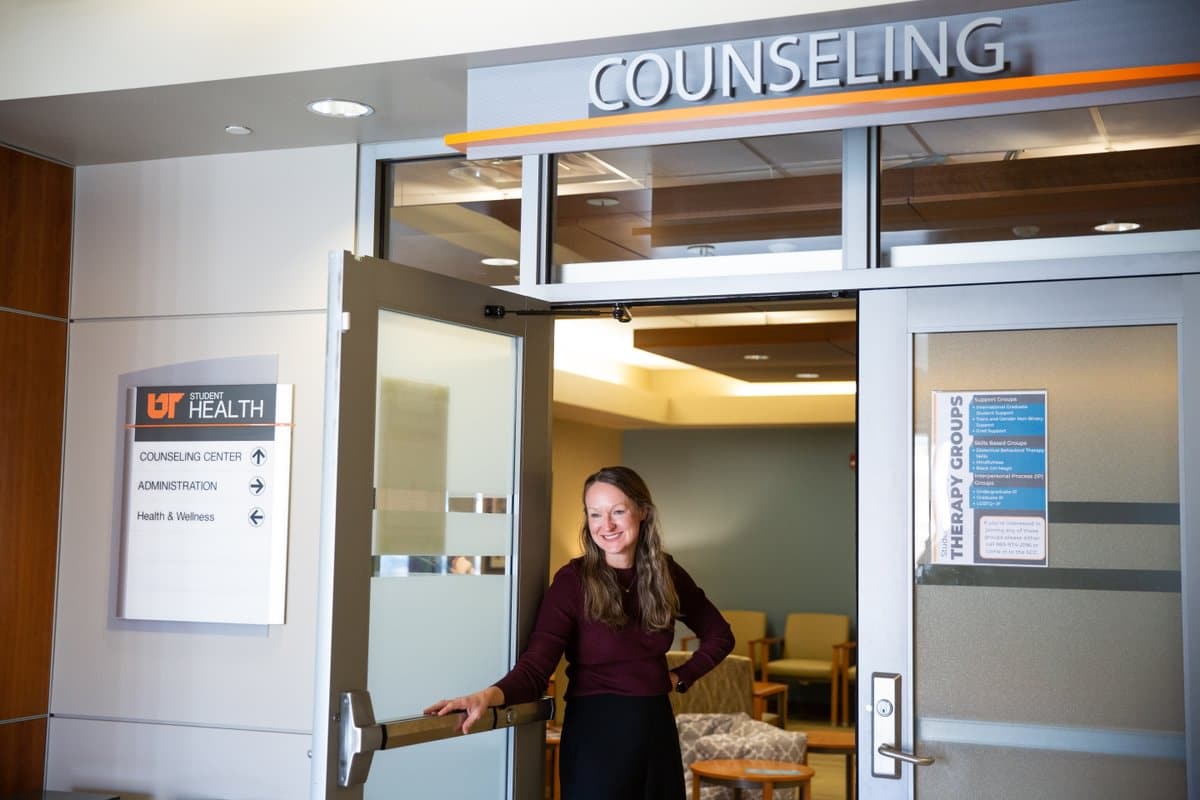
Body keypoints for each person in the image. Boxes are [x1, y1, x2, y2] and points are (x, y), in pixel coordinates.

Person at [425, 465, 734, 800]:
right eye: (595, 514)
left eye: (618, 511)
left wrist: (679, 677)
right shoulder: (572, 582)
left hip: (656, 731)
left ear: (643, 512)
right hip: (595, 739)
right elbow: (535, 669)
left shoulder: (666, 572)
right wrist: (486, 696)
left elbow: (720, 636)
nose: (607, 525)